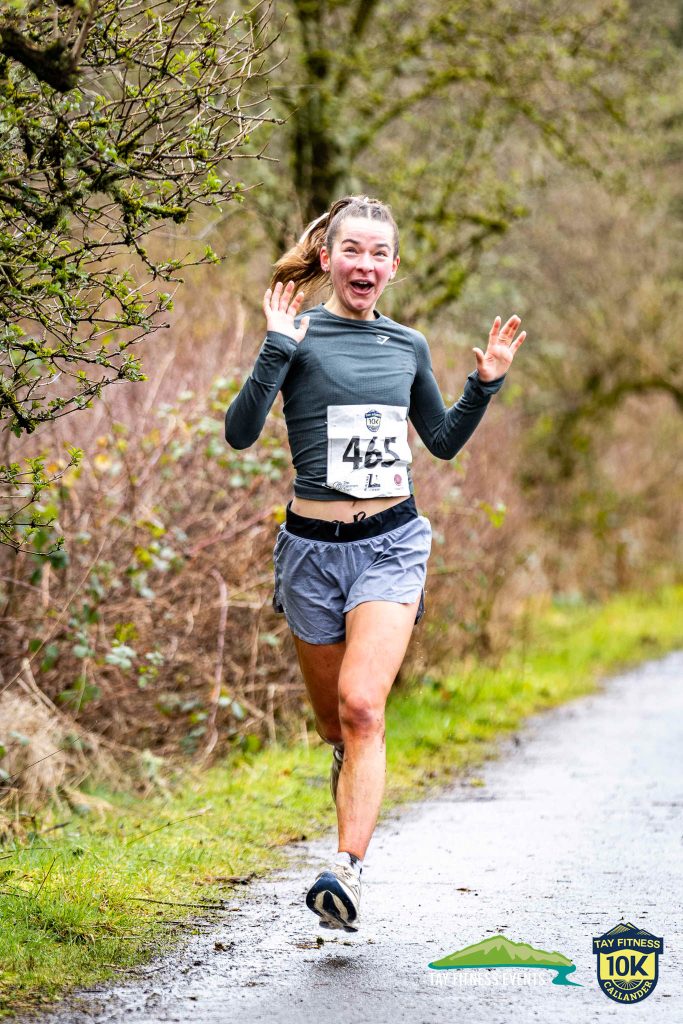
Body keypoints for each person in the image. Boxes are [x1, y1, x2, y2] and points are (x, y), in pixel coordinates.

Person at [224, 195, 525, 933]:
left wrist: (484, 383)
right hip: (309, 553)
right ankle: (349, 790)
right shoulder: (297, 335)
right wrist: (274, 348)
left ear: (393, 266)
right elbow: (239, 433)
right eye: (352, 250)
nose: (365, 264)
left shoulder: (406, 345)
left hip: (390, 544)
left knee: (363, 706)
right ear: (328, 259)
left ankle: (347, 871)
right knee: (335, 725)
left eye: (379, 253)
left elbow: (441, 442)